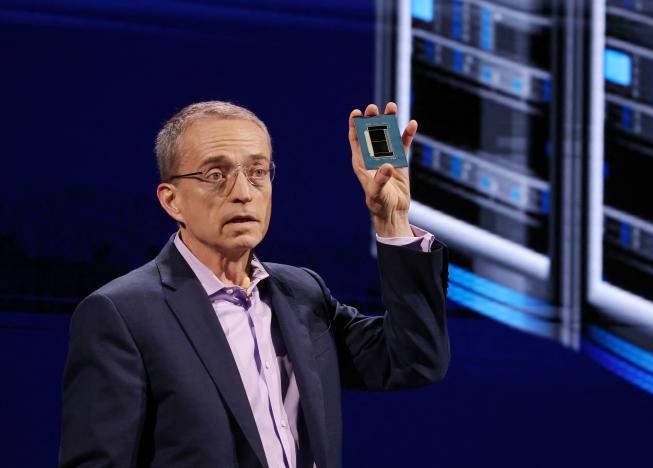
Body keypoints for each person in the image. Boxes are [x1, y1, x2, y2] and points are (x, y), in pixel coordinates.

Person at [59, 101, 450, 468]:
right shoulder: (122, 314)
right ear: (171, 200)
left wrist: (392, 220)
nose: (243, 193)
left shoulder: (302, 293)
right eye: (216, 175)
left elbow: (413, 360)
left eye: (257, 172)